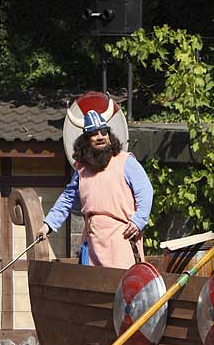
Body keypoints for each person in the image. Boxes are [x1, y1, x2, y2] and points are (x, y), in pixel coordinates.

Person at [40, 110, 153, 268]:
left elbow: (145, 191)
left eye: (104, 132)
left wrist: (138, 221)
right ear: (86, 140)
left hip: (122, 237)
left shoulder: (126, 161)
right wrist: (48, 225)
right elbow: (67, 199)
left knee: (121, 286)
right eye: (94, 133)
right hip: (92, 242)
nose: (100, 136)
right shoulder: (81, 169)